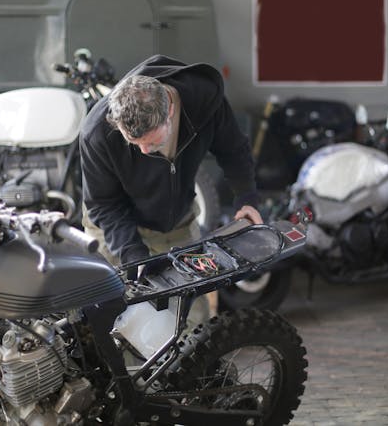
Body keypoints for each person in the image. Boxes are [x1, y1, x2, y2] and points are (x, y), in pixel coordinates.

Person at [80, 54, 262, 279]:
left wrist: (246, 198)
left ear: (171, 111)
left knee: (191, 309)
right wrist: (131, 254)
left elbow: (234, 149)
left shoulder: (205, 100)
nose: (145, 151)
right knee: (110, 305)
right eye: (134, 144)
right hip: (112, 227)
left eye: (153, 143)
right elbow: (103, 204)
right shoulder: (97, 133)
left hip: (175, 223)